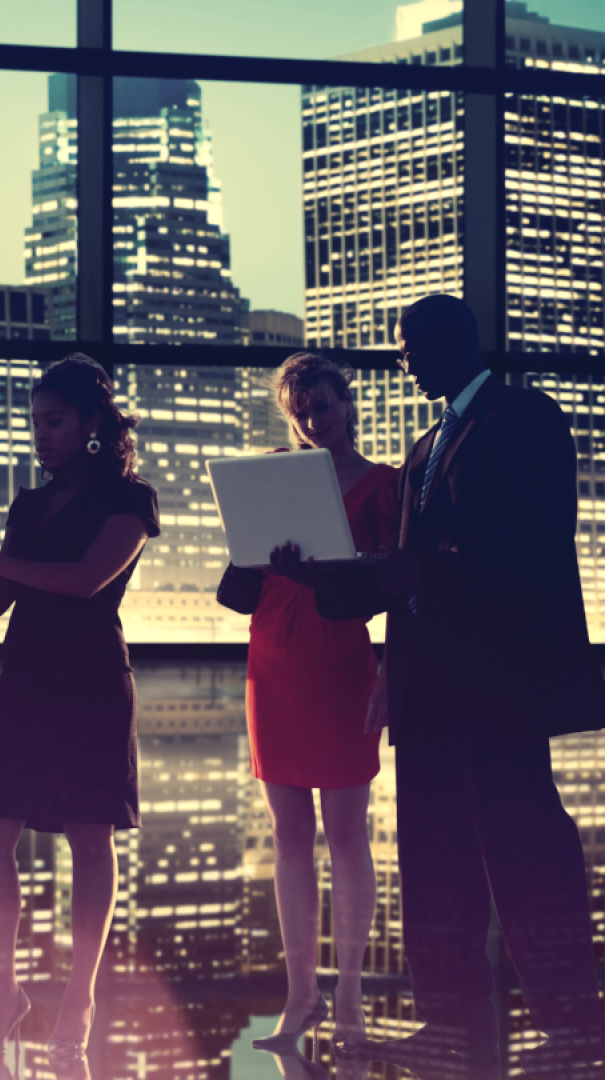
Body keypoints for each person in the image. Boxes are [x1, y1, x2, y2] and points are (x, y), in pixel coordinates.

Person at [285, 295, 605, 1075]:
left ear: (449, 342)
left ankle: (576, 1026)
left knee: (526, 850)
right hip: (431, 685)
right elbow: (402, 572)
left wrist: (416, 570)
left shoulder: (523, 418)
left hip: (498, 681)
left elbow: (527, 542)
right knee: (436, 860)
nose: (403, 363)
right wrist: (319, 581)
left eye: (408, 349)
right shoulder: (428, 445)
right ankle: (449, 1024)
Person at [0, 353, 156, 1080]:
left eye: (53, 421)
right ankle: (3, 993)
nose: (40, 434)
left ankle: (78, 998)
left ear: (90, 424)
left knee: (89, 836)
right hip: (24, 681)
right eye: (34, 422)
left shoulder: (130, 500)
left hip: (89, 685)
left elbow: (84, 582)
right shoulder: (28, 504)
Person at [212, 352, 390, 1049]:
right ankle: (301, 996)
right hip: (274, 663)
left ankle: (349, 997)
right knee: (288, 836)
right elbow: (237, 586)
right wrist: (266, 557)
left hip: (342, 662)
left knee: (346, 834)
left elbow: (389, 587)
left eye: (325, 405)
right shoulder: (274, 475)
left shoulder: (382, 485)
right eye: (303, 410)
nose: (316, 420)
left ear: (347, 404)